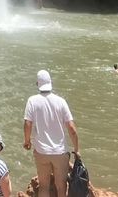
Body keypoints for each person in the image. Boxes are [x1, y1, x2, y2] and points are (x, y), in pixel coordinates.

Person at [23, 69, 79, 197]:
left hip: (41, 151)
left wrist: (27, 141)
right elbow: (72, 128)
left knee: (43, 186)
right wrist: (76, 149)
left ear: (38, 84)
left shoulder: (32, 101)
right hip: (60, 152)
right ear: (50, 83)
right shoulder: (61, 101)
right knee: (61, 187)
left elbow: (27, 124)